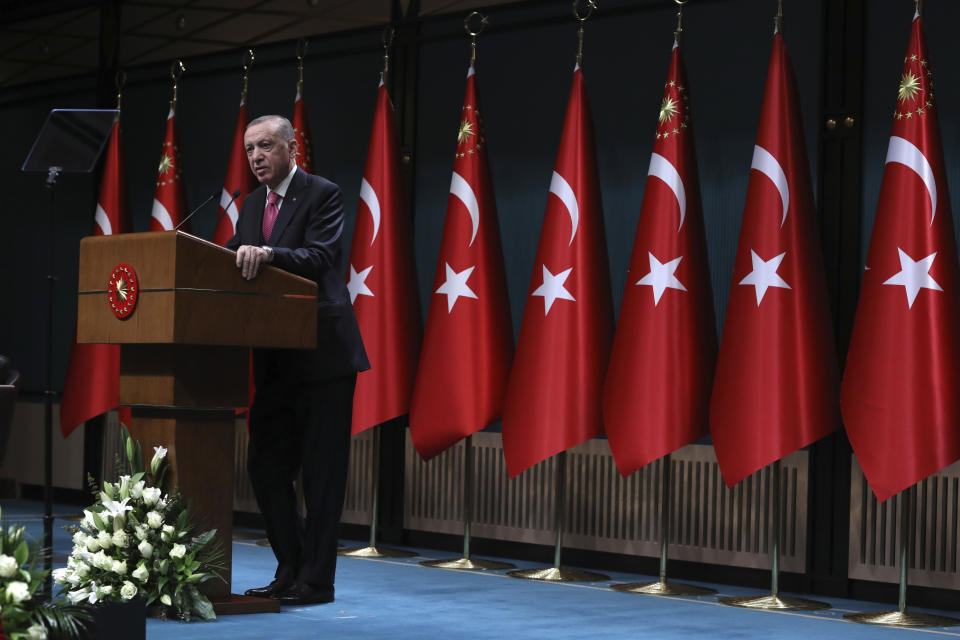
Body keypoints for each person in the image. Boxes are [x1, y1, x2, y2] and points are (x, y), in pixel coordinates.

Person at [226, 115, 369, 605]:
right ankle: (290, 565)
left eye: (265, 146)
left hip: (322, 355)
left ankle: (317, 581)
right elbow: (230, 256)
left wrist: (267, 254)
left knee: (322, 475)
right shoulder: (248, 205)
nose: (256, 157)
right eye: (249, 150)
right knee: (265, 467)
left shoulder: (322, 192)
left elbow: (320, 256)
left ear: (291, 148)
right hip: (274, 359)